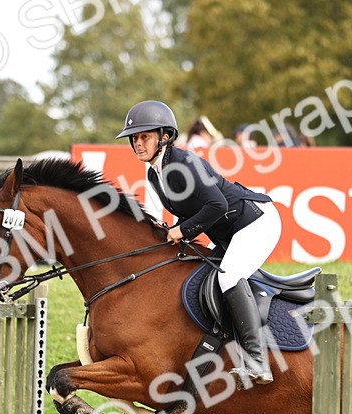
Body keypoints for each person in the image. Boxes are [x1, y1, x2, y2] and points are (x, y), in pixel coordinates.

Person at [117, 100, 281, 386]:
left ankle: (258, 362)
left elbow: (217, 205)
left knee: (228, 276)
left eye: (144, 136)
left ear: (164, 136)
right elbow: (188, 211)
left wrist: (182, 230)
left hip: (256, 222)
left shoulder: (183, 163)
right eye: (134, 138)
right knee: (202, 275)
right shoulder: (155, 173)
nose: (138, 144)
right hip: (231, 232)